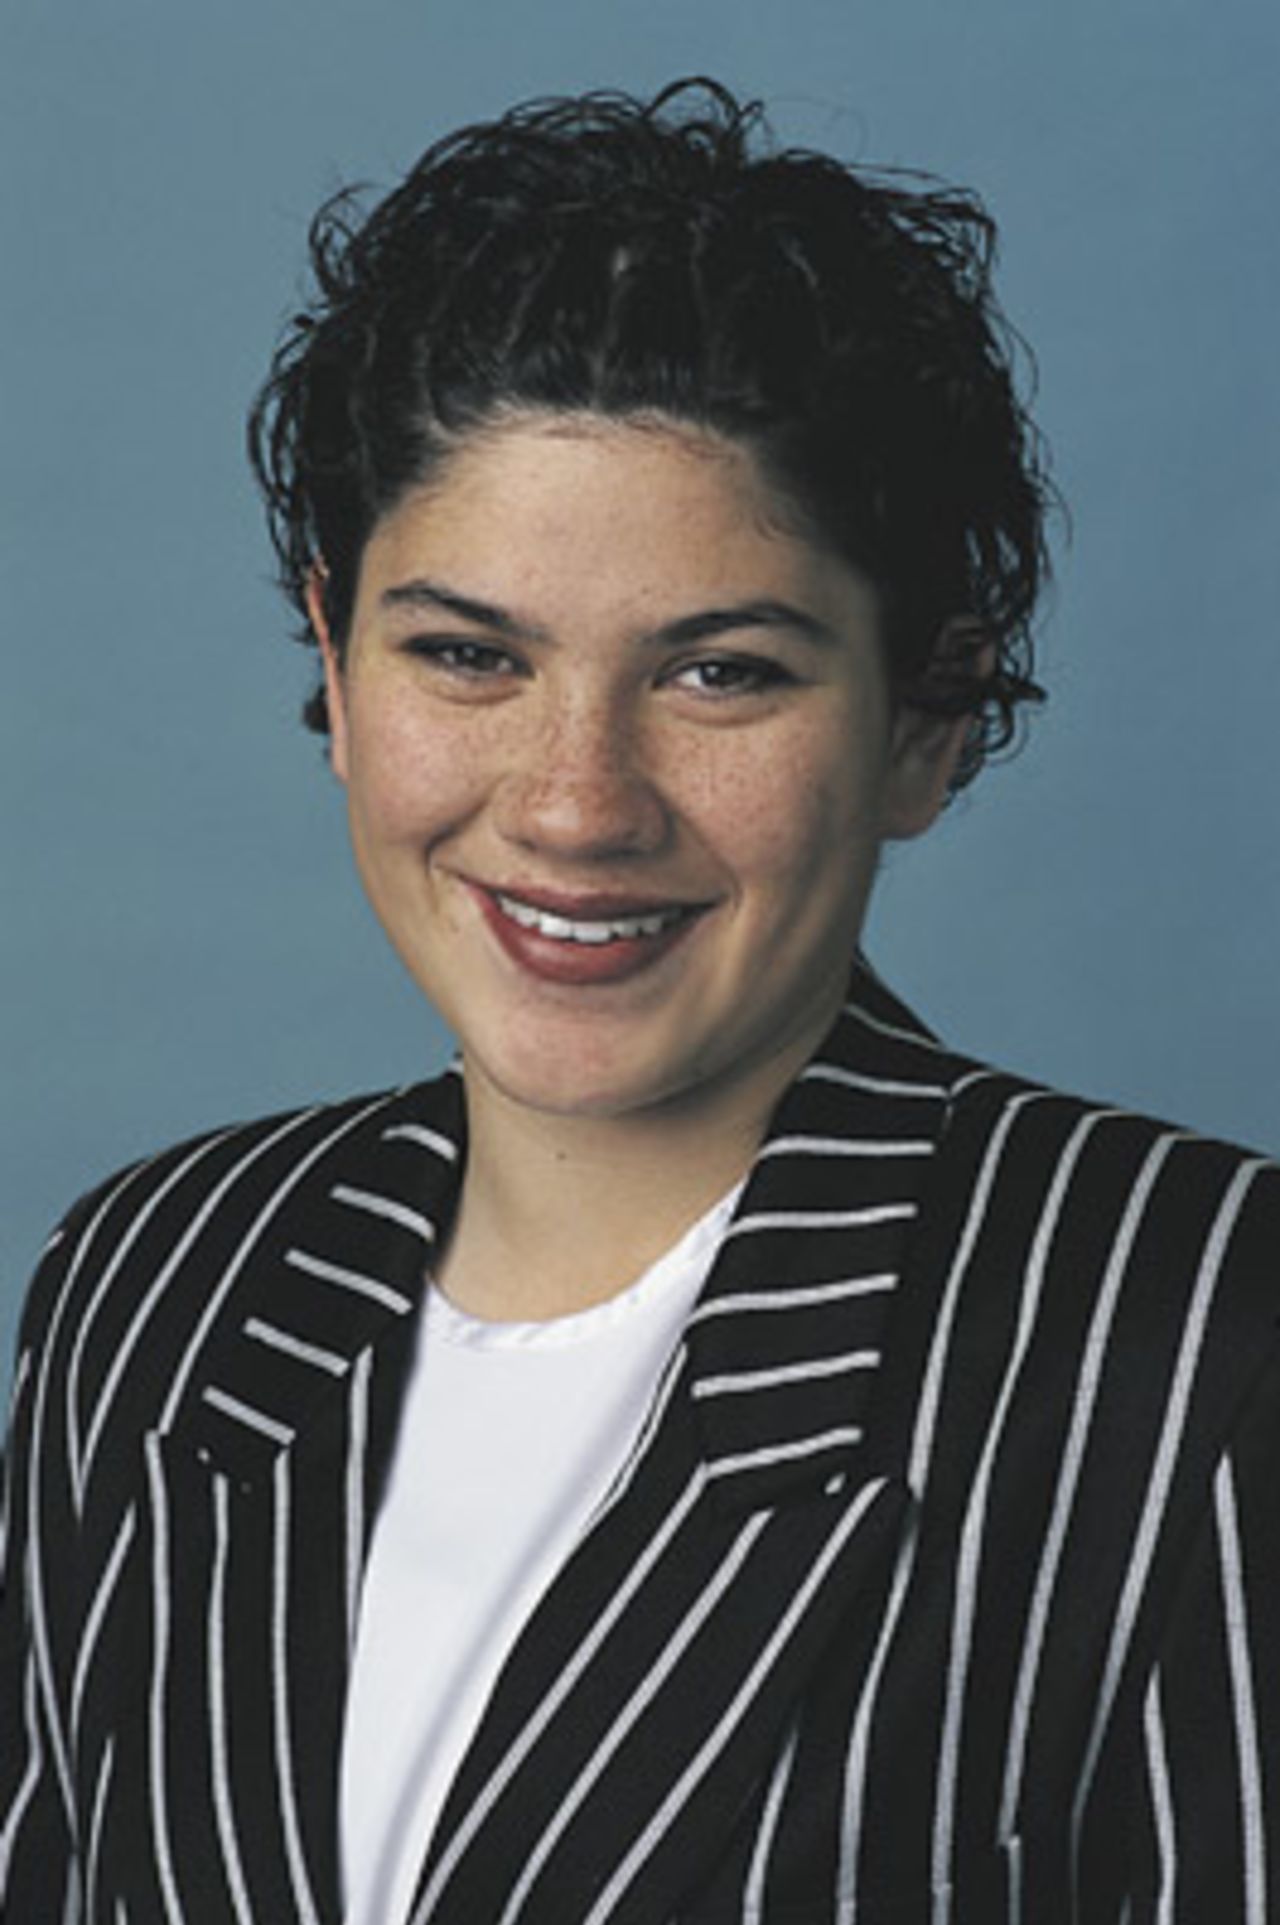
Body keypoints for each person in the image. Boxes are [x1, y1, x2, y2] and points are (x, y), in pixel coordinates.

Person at [2, 78, 1276, 1925]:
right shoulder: (160, 1287)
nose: (576, 801)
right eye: (466, 654)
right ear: (337, 673)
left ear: (926, 721)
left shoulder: (1197, 1347)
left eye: (723, 672)